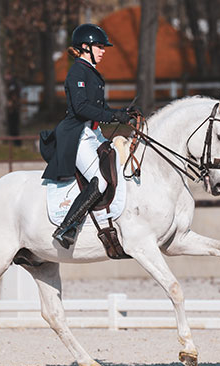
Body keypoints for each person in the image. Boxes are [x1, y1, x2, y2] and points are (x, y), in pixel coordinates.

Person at [40, 23, 132, 249]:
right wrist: (113, 117)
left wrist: (122, 114)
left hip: (93, 132)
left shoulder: (90, 71)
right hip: (78, 134)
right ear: (84, 47)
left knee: (119, 164)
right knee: (100, 180)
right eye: (99, 46)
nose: (103, 51)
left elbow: (98, 105)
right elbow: (81, 108)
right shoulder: (77, 72)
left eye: (103, 47)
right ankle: (67, 227)